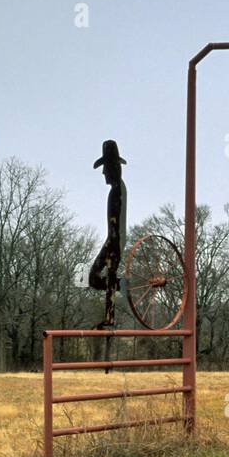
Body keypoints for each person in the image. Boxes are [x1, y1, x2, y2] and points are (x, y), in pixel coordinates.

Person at [88, 139, 127, 328]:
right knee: (95, 277)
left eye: (105, 168)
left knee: (102, 276)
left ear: (112, 168)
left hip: (114, 241)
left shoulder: (117, 190)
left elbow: (115, 223)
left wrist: (112, 246)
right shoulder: (117, 189)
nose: (103, 173)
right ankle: (117, 286)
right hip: (112, 240)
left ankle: (110, 316)